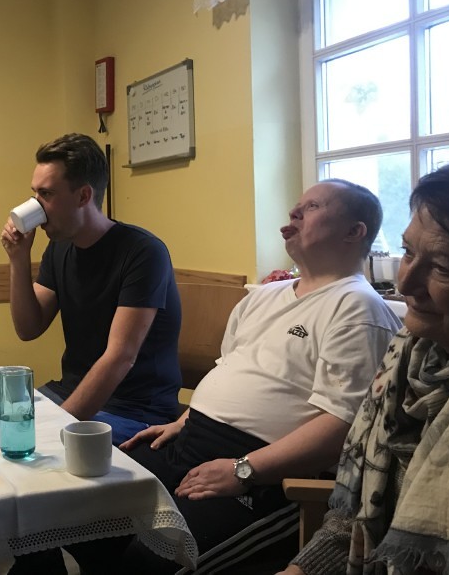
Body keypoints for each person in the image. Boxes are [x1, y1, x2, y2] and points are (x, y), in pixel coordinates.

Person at [105, 179, 403, 575]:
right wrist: (182, 421)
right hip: (189, 439)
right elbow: (230, 371)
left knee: (151, 559)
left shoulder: (357, 307)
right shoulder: (262, 296)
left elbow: (342, 428)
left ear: (354, 231)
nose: (294, 213)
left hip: (266, 474)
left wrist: (244, 470)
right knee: (88, 511)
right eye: (296, 206)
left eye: (312, 207)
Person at [282, 162, 449, 575]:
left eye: (442, 268)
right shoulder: (405, 358)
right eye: (408, 252)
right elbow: (349, 521)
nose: (405, 283)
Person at [0, 133, 181, 447]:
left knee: (39, 450)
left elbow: (120, 358)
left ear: (83, 196)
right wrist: (18, 259)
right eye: (34, 194)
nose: (35, 205)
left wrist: (55, 429)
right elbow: (28, 328)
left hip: (133, 409)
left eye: (46, 194)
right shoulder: (60, 248)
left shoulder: (143, 252)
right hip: (70, 392)